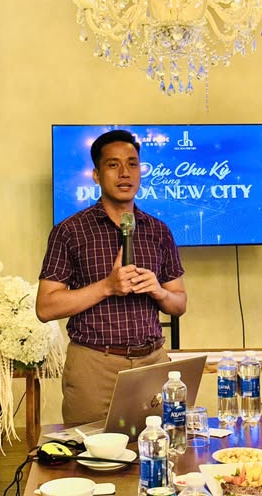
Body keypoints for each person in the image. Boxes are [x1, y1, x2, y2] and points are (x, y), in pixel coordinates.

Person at [36, 129, 187, 423]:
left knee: (158, 446)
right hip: (95, 365)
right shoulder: (70, 231)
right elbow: (45, 307)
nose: (124, 173)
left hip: (152, 363)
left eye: (132, 164)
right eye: (113, 165)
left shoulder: (159, 231)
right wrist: (107, 286)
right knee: (88, 449)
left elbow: (179, 304)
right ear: (96, 175)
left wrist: (158, 291)